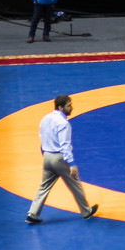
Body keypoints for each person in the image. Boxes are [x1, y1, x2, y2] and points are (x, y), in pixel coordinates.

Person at [25, 95, 98, 224]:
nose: (71, 108)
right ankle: (86, 211)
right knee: (75, 184)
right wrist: (71, 164)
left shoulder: (45, 118)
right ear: (60, 107)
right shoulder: (64, 123)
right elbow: (65, 145)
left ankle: (32, 213)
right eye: (68, 105)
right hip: (59, 158)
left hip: (47, 156)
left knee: (44, 186)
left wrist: (45, 153)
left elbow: (42, 136)